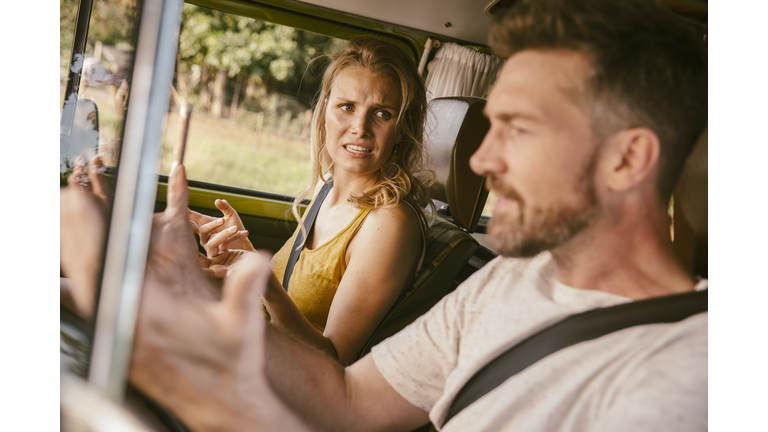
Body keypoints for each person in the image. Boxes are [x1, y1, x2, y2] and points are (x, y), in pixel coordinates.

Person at [60, 0, 708, 430]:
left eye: (518, 128)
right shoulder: (507, 285)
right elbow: (343, 403)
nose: (480, 160)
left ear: (627, 160)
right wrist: (184, 292)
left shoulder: (687, 377)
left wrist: (170, 363)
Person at [188, 36, 433, 366]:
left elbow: (330, 364)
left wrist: (263, 281)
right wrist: (240, 253)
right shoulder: (328, 191)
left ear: (401, 128)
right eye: (347, 107)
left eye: (382, 114)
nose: (360, 128)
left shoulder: (388, 223)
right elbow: (287, 304)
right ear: (325, 113)